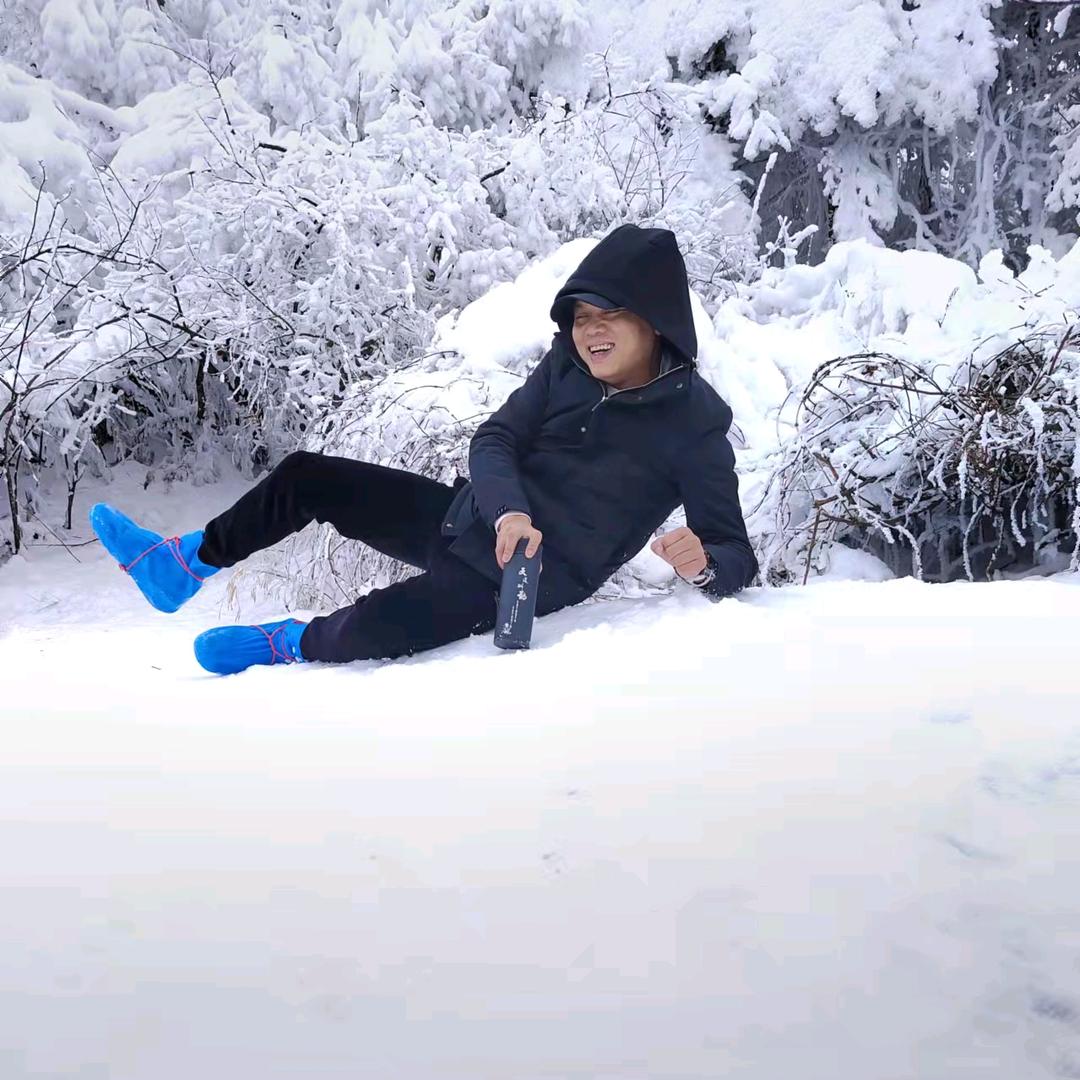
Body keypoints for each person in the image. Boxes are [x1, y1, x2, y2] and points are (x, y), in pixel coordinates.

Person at [89, 223, 758, 675]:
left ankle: (284, 641)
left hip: (519, 585)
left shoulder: (694, 424)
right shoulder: (566, 369)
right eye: (582, 317)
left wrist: (703, 564)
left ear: (654, 322)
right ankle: (182, 564)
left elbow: (735, 556)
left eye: (609, 315)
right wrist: (507, 513)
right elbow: (496, 438)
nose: (591, 332)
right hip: (466, 520)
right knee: (307, 476)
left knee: (390, 618)